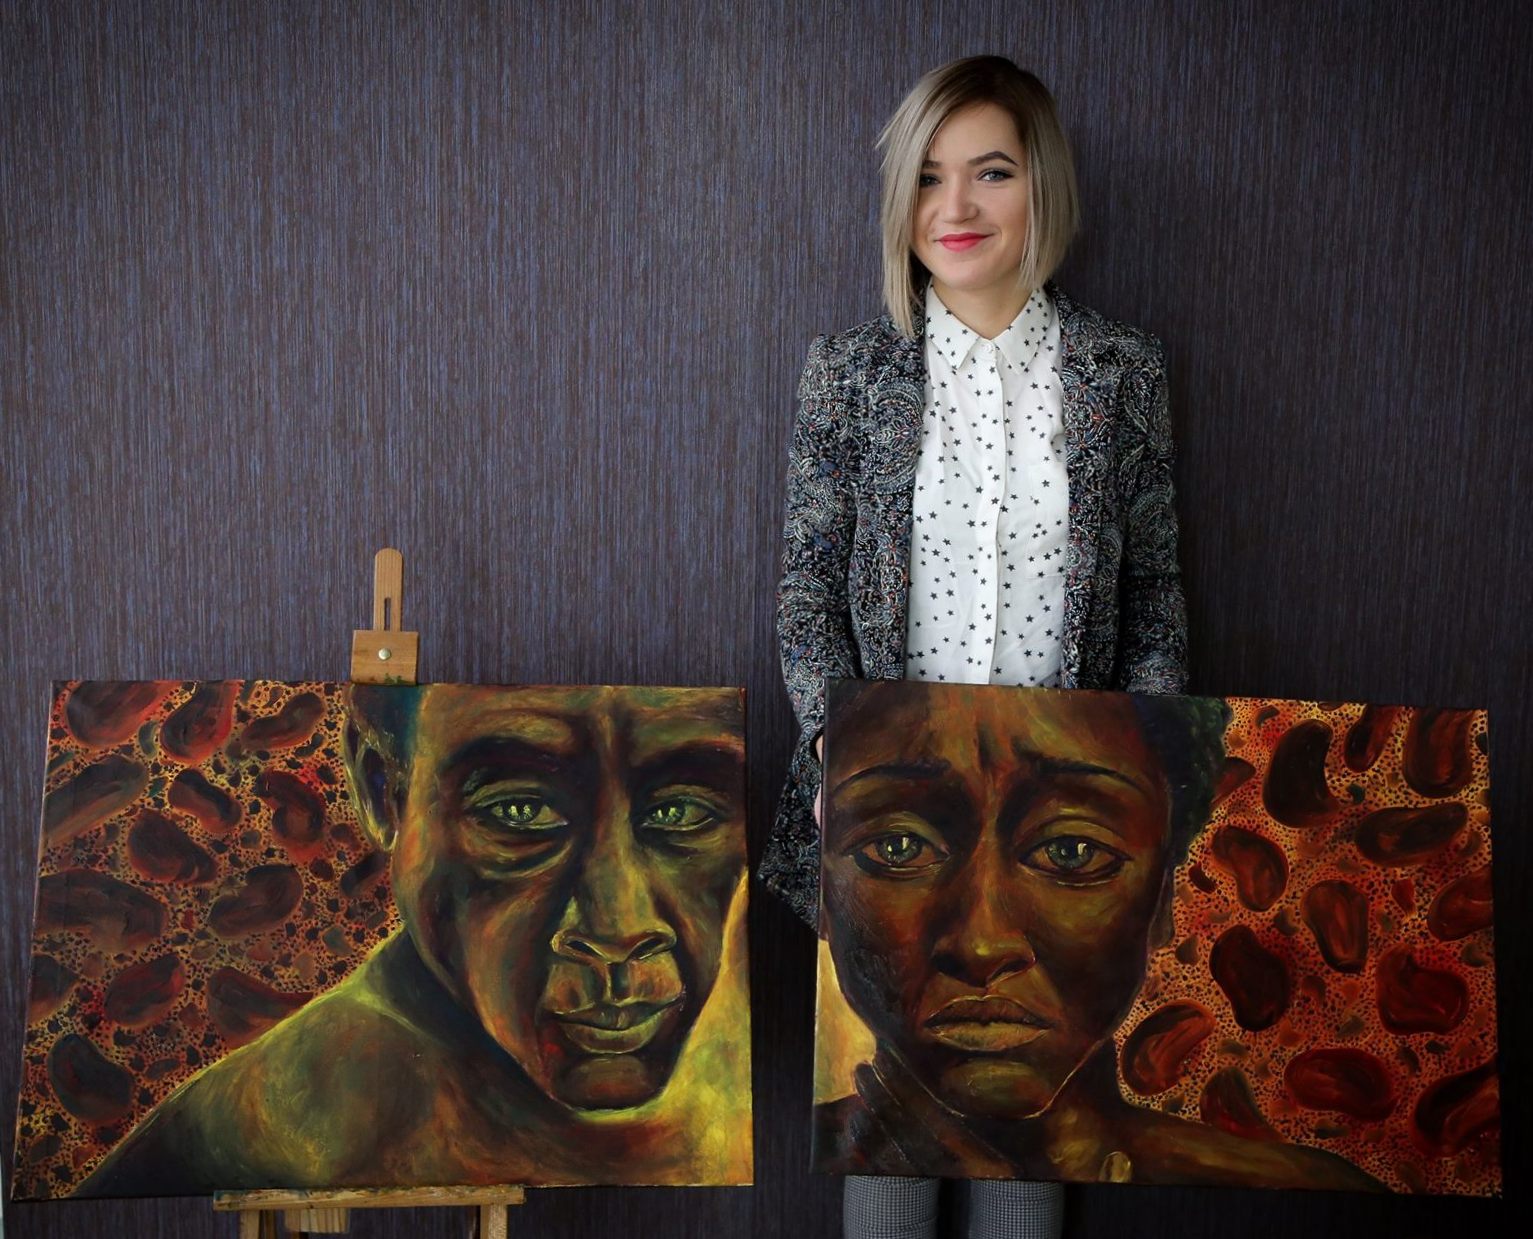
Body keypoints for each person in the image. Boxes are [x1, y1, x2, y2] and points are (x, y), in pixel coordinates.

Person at [759, 54, 1189, 1238]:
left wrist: (1145, 777)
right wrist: (841, 758)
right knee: (889, 1164)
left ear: (1041, 186)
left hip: (1060, 844)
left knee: (1023, 1172)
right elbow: (806, 593)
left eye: (990, 172)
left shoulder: (1121, 374)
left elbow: (1154, 600)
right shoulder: (849, 373)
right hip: (888, 831)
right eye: (927, 177)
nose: (954, 207)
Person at [79, 683, 748, 1194]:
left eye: (682, 811)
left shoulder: (786, 1040)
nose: (620, 925)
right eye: (519, 810)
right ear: (383, 792)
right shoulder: (243, 1146)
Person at [814, 681, 1383, 1192]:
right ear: (820, 893)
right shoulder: (781, 1154)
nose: (982, 946)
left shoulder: (1298, 1191)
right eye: (898, 848)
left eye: (1072, 851)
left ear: (1163, 898)